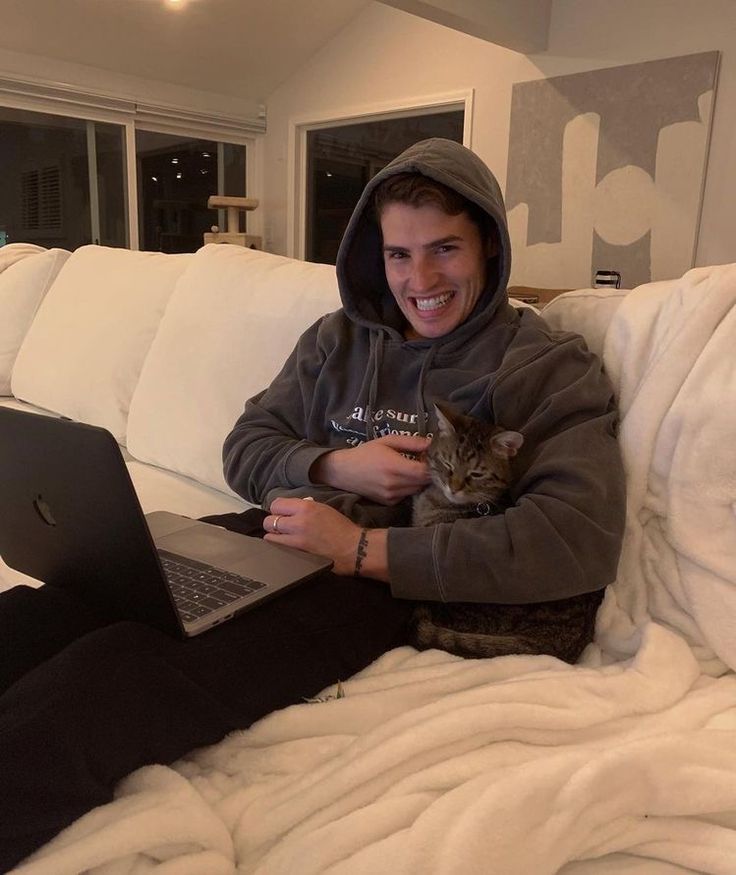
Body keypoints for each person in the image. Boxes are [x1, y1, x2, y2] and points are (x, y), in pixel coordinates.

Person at [0, 138, 625, 870]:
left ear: (487, 242)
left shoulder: (547, 366)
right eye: (398, 254)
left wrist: (361, 549)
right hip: (275, 527)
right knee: (56, 607)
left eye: (444, 249)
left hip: (377, 581)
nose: (419, 278)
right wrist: (333, 462)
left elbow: (575, 535)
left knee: (114, 677)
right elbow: (246, 445)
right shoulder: (336, 340)